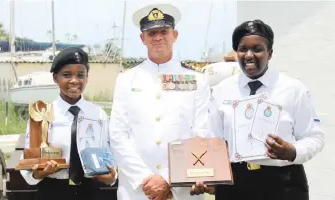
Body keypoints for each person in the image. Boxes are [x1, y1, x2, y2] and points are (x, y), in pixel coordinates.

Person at [190, 19, 325, 200]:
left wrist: (292, 151)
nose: (249, 55)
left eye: (257, 49)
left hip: (284, 183)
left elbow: (314, 136)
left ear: (269, 53)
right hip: (235, 185)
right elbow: (213, 140)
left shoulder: (293, 90)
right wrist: (205, 175)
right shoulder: (222, 91)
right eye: (243, 49)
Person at [109, 3, 210, 200]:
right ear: (142, 38)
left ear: (175, 35)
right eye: (151, 32)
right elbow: (117, 134)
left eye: (164, 31)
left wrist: (167, 178)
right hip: (137, 190)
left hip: (182, 189)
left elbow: (201, 133)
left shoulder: (197, 80)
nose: (158, 37)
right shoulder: (126, 79)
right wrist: (145, 179)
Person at [20, 47, 118, 200]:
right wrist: (38, 172)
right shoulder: (42, 113)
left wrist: (111, 176)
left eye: (80, 75)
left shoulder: (98, 114)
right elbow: (30, 160)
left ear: (87, 78)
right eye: (66, 75)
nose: (74, 80)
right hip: (52, 191)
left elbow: (108, 154)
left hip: (90, 190)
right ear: (55, 78)